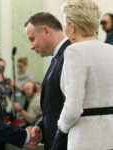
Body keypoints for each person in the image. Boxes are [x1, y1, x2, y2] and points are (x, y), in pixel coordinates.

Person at [56, 0, 113, 150]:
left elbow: (73, 108)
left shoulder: (74, 51)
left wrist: (62, 124)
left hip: (87, 139)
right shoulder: (110, 50)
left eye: (64, 23)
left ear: (71, 26)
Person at [24, 12, 71, 150]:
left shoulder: (69, 55)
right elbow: (55, 106)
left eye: (32, 39)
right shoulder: (57, 57)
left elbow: (71, 108)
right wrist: (41, 126)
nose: (31, 46)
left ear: (46, 31)